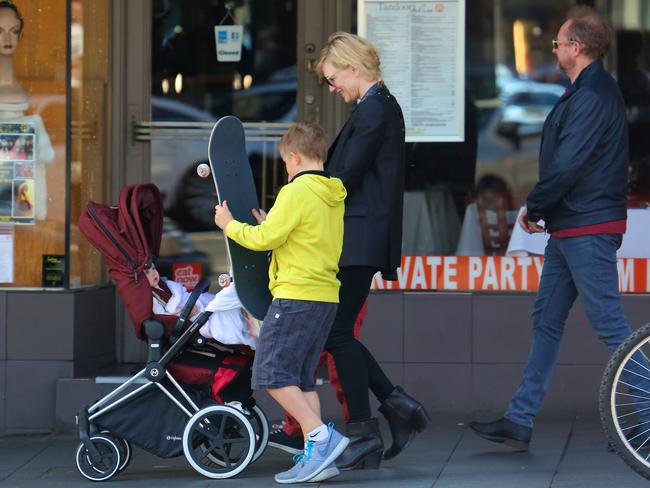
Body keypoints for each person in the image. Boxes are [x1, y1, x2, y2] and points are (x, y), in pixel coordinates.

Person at [470, 6, 636, 451]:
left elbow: (568, 164)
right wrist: (547, 210)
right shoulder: (585, 89)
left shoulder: (592, 95)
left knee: (610, 326)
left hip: (587, 226)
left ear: (576, 48)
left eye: (559, 42)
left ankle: (643, 412)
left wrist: (536, 205)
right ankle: (519, 419)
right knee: (546, 320)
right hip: (572, 226)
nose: (555, 48)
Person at [313, 32, 429, 469]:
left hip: (357, 239)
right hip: (360, 237)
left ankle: (366, 429)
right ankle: (396, 409)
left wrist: (298, 196)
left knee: (335, 332)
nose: (332, 88)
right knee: (336, 331)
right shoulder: (377, 106)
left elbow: (343, 177)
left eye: (331, 79)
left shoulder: (375, 109)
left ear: (353, 69)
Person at [214, 122, 350, 484]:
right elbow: (298, 235)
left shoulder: (296, 190)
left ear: (294, 157)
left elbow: (264, 240)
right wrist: (270, 221)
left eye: (285, 164)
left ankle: (320, 437)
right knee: (302, 379)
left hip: (295, 296)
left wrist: (229, 225)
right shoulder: (332, 193)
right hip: (324, 297)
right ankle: (319, 457)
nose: (286, 171)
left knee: (271, 374)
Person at [143, 261, 258, 349]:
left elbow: (182, 294)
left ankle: (246, 318)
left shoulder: (165, 285)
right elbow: (166, 317)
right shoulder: (153, 300)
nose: (153, 273)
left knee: (224, 306)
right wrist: (185, 312)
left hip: (197, 305)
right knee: (220, 317)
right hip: (196, 318)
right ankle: (247, 330)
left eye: (153, 268)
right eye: (147, 272)